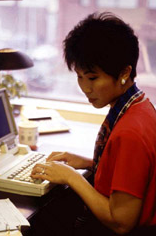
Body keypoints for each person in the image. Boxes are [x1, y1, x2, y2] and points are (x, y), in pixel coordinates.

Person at [31, 12, 156, 235]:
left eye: (92, 78)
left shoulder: (130, 133)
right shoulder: (140, 105)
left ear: (124, 73)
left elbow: (121, 222)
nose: (85, 88)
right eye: (79, 76)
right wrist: (90, 163)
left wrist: (70, 176)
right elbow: (133, 174)